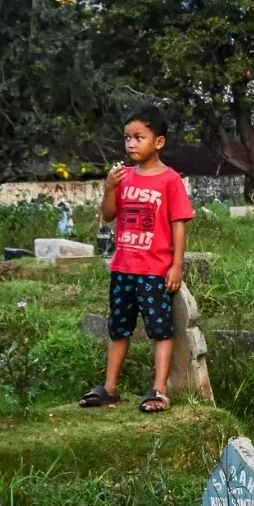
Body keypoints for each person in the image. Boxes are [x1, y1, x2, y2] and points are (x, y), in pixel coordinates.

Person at [81, 107, 194, 413]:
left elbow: (178, 223)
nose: (131, 144)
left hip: (155, 270)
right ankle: (110, 388)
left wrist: (176, 265)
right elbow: (108, 215)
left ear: (158, 142)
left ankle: (159, 389)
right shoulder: (123, 177)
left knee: (161, 329)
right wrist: (109, 188)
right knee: (119, 328)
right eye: (127, 138)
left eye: (138, 137)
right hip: (123, 268)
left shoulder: (170, 180)